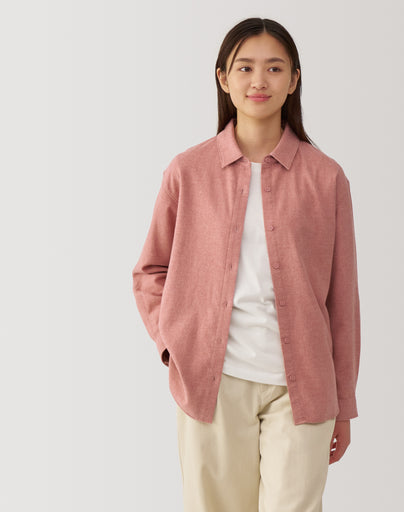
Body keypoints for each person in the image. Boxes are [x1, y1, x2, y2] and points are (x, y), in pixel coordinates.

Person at [132, 17, 361, 512]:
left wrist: (344, 403)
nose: (260, 80)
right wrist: (174, 346)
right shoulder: (187, 171)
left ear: (294, 80)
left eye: (275, 68)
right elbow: (150, 272)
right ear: (223, 78)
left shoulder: (326, 179)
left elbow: (342, 302)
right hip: (211, 386)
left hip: (303, 391)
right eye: (245, 68)